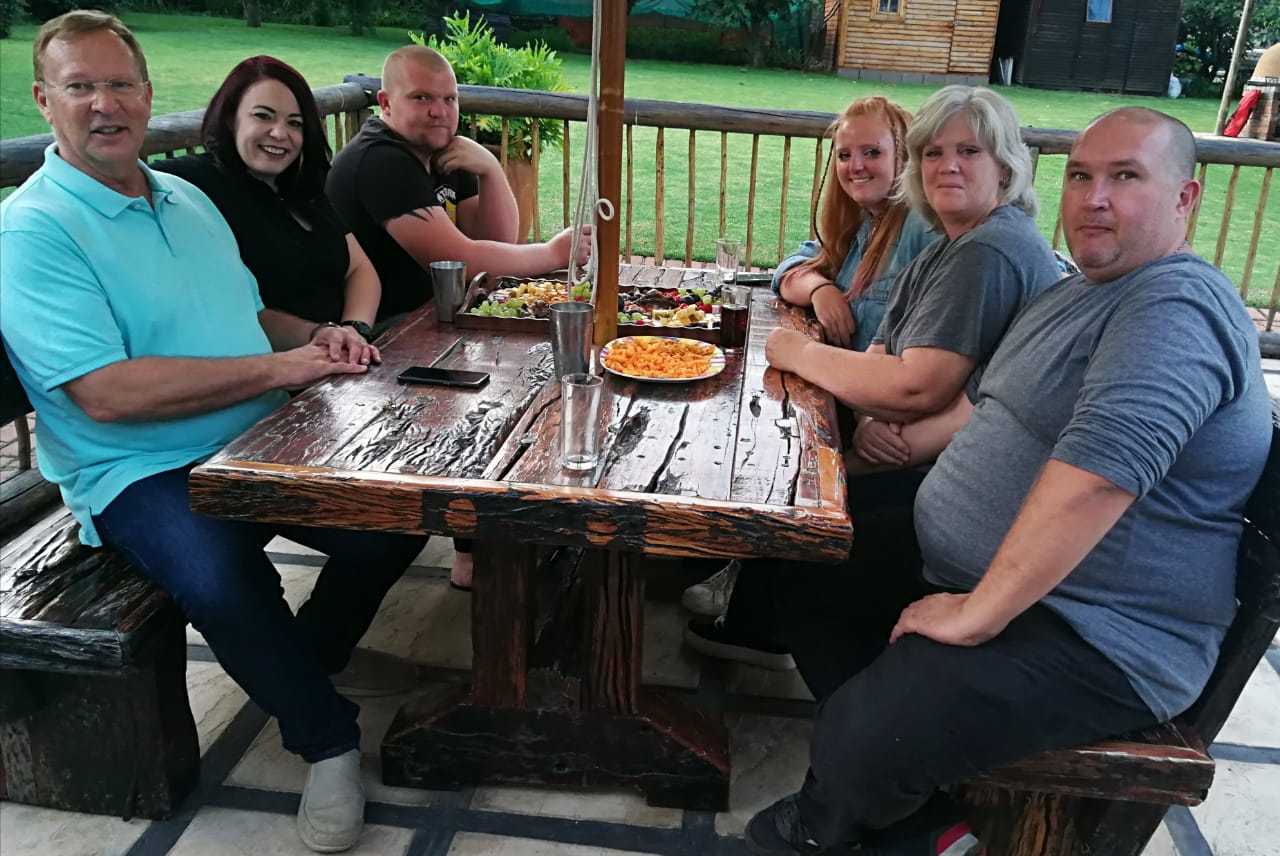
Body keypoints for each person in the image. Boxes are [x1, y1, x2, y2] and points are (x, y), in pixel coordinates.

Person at [743, 107, 1273, 856]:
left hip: (1099, 632)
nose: (1094, 197)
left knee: (870, 728)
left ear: (1184, 198)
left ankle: (826, 823)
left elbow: (1098, 478)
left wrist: (975, 614)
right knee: (808, 574)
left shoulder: (1173, 308)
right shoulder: (1080, 291)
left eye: (1125, 177)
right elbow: (981, 407)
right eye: (1082, 176)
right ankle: (916, 818)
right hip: (1004, 575)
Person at [0, 14, 425, 853]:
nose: (104, 104)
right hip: (136, 466)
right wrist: (278, 370)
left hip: (253, 435)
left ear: (148, 94)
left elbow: (246, 316)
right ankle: (325, 738)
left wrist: (317, 338)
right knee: (222, 574)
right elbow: (105, 394)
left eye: (120, 84)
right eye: (80, 87)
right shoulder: (33, 229)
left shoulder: (186, 198)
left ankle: (303, 659)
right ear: (46, 101)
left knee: (395, 517)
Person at [683, 86, 1061, 670]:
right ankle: (750, 598)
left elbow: (918, 387)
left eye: (969, 151)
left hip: (969, 484)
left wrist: (797, 353)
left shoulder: (986, 250)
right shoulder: (952, 242)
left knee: (797, 489)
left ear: (1006, 168)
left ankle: (772, 631)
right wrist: (871, 414)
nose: (947, 166)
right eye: (934, 153)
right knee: (797, 464)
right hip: (925, 444)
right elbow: (888, 344)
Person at [327, 43, 591, 591]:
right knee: (511, 384)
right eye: (422, 98)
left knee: (536, 367)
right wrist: (553, 253)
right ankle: (480, 547)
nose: (439, 111)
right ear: (385, 103)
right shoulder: (381, 160)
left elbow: (497, 242)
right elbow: (458, 258)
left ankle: (502, 531)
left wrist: (490, 169)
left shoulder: (445, 153)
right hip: (378, 336)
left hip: (437, 321)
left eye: (449, 99)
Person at [682, 95, 937, 620]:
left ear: (905, 155)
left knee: (773, 451)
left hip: (889, 421)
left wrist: (873, 417)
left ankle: (756, 610)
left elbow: (922, 344)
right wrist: (821, 288)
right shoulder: (865, 222)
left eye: (872, 152)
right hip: (849, 398)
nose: (855, 166)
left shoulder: (918, 226)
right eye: (844, 155)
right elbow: (792, 265)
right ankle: (742, 570)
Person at [153, 56, 381, 342]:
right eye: (263, 116)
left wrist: (354, 329)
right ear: (230, 118)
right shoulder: (196, 181)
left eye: (294, 123)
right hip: (272, 362)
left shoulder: (302, 185)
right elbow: (122, 178)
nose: (279, 133)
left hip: (347, 352)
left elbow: (360, 270)